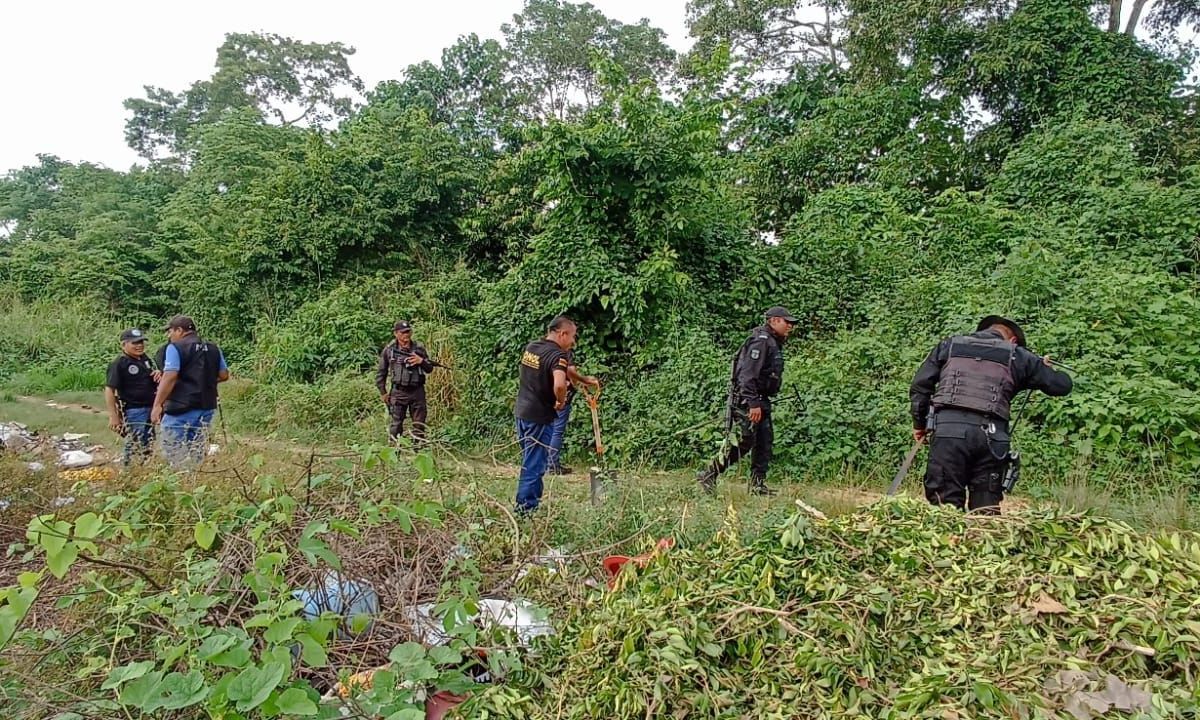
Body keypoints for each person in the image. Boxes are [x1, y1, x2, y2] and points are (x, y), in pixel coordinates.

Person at [909, 315, 1073, 513]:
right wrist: (1045, 368)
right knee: (985, 511)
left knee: (945, 508)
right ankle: (981, 540)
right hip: (992, 437)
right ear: (1013, 341)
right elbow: (1062, 386)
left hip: (948, 432)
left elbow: (920, 387)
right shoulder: (1018, 356)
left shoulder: (949, 346)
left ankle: (949, 540)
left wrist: (919, 424)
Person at [697, 306, 798, 496]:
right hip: (749, 401)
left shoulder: (773, 342)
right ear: (774, 320)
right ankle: (709, 473)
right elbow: (747, 376)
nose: (790, 326)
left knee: (764, 443)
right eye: (787, 322)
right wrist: (753, 403)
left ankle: (757, 485)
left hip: (762, 399)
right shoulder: (761, 342)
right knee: (745, 441)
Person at [514, 315, 577, 513]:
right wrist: (560, 400)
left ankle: (532, 503)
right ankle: (525, 510)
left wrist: (583, 379)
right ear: (562, 333)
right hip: (539, 417)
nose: (573, 342)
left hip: (522, 412)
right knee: (534, 464)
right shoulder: (559, 355)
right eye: (573, 337)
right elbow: (559, 382)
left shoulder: (532, 348)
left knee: (531, 459)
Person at [151, 315, 229, 467]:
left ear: (179, 330)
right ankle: (196, 480)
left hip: (181, 407)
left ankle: (178, 481)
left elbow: (170, 376)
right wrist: (203, 381)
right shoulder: (213, 348)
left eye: (170, 331)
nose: (169, 336)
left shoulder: (175, 348)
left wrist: (157, 404)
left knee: (173, 450)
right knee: (197, 449)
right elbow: (224, 375)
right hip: (206, 406)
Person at [104, 328, 160, 465]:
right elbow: (109, 389)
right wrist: (113, 416)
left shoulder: (146, 359)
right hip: (134, 410)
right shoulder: (119, 363)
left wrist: (159, 373)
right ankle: (130, 470)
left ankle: (144, 469)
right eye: (134, 343)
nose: (139, 345)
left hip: (150, 407)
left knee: (148, 441)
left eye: (141, 342)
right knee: (135, 442)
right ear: (124, 345)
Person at [375, 320, 434, 445]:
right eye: (403, 333)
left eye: (408, 332)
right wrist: (383, 392)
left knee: (419, 425)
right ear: (396, 334)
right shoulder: (389, 350)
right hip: (398, 392)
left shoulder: (418, 348)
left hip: (417, 391)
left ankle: (418, 452)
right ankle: (394, 453)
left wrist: (421, 361)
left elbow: (429, 369)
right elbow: (381, 372)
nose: (406, 335)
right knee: (396, 424)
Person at [546, 351, 600, 475]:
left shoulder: (543, 349)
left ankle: (545, 464)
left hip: (545, 395)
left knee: (547, 428)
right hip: (561, 396)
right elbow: (571, 372)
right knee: (557, 431)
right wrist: (581, 382)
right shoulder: (563, 352)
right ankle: (552, 465)